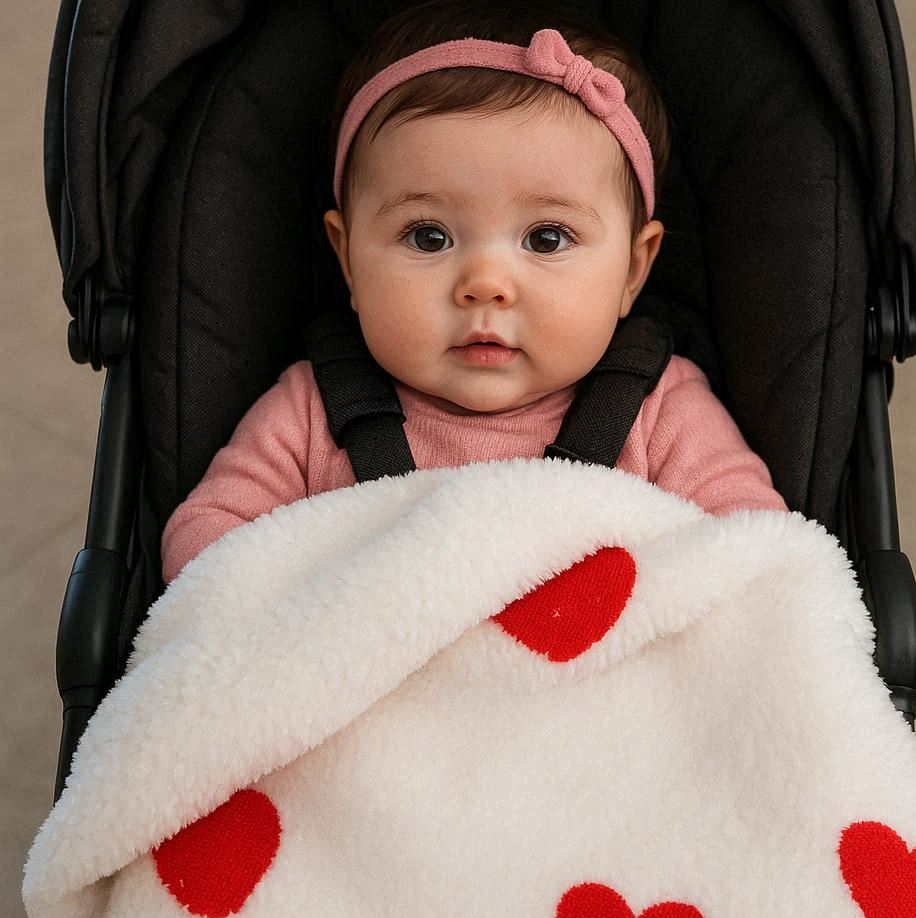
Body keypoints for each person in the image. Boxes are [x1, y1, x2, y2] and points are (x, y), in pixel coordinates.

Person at [161, 0, 787, 584]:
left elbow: (759, 555)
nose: (485, 284)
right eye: (428, 236)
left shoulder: (661, 412)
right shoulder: (313, 412)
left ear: (632, 269)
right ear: (347, 258)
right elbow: (207, 545)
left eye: (546, 239)